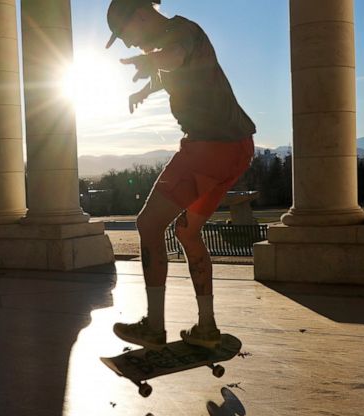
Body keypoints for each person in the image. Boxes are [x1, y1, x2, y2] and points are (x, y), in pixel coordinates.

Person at [105, 0, 255, 350]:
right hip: (237, 149)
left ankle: (153, 328)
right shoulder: (180, 38)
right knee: (187, 232)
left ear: (140, 15)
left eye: (124, 35)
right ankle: (206, 327)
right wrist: (146, 87)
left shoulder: (181, 32)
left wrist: (148, 61)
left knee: (148, 225)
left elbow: (173, 57)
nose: (128, 44)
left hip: (209, 148)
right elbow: (174, 69)